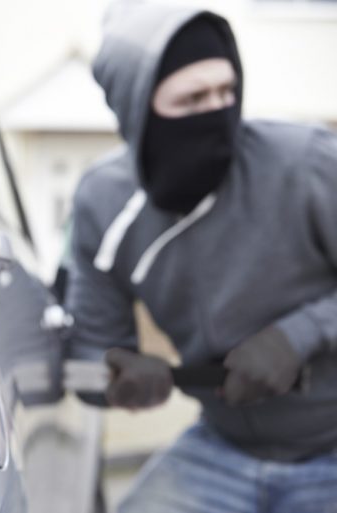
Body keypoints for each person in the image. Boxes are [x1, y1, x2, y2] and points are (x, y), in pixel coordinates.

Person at [64, 2, 337, 512]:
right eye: (193, 98)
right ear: (139, 107)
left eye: (226, 91)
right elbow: (91, 350)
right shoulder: (104, 204)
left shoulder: (307, 164)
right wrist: (118, 378)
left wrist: (296, 337)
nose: (217, 111)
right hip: (222, 449)